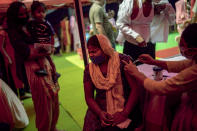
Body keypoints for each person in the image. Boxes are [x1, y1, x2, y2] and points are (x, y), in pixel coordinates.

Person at [122, 23, 197, 131]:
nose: (180, 47)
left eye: (182, 45)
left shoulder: (193, 73)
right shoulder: (194, 61)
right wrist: (154, 62)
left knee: (159, 101)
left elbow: (161, 88)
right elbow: (184, 64)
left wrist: (137, 74)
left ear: (193, 50)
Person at [6, 2, 60, 131]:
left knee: (54, 97)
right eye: (20, 14)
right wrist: (46, 48)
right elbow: (27, 53)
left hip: (45, 63)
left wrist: (43, 49)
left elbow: (42, 44)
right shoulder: (13, 32)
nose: (24, 16)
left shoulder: (31, 25)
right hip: (32, 68)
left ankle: (53, 128)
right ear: (14, 16)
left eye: (25, 12)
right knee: (43, 103)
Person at [83, 34, 142, 131]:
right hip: (100, 109)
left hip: (125, 106)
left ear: (104, 48)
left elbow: (135, 89)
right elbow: (89, 98)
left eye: (94, 51)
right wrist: (100, 113)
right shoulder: (89, 70)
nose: (91, 55)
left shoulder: (123, 61)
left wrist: (124, 113)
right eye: (89, 52)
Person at [26, 1, 60, 82]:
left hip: (46, 44)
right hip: (37, 44)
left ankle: (55, 73)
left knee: (49, 58)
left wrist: (52, 46)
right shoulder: (32, 23)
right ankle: (43, 69)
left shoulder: (47, 24)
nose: (41, 14)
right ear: (33, 13)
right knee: (39, 57)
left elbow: (52, 35)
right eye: (38, 12)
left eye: (43, 12)